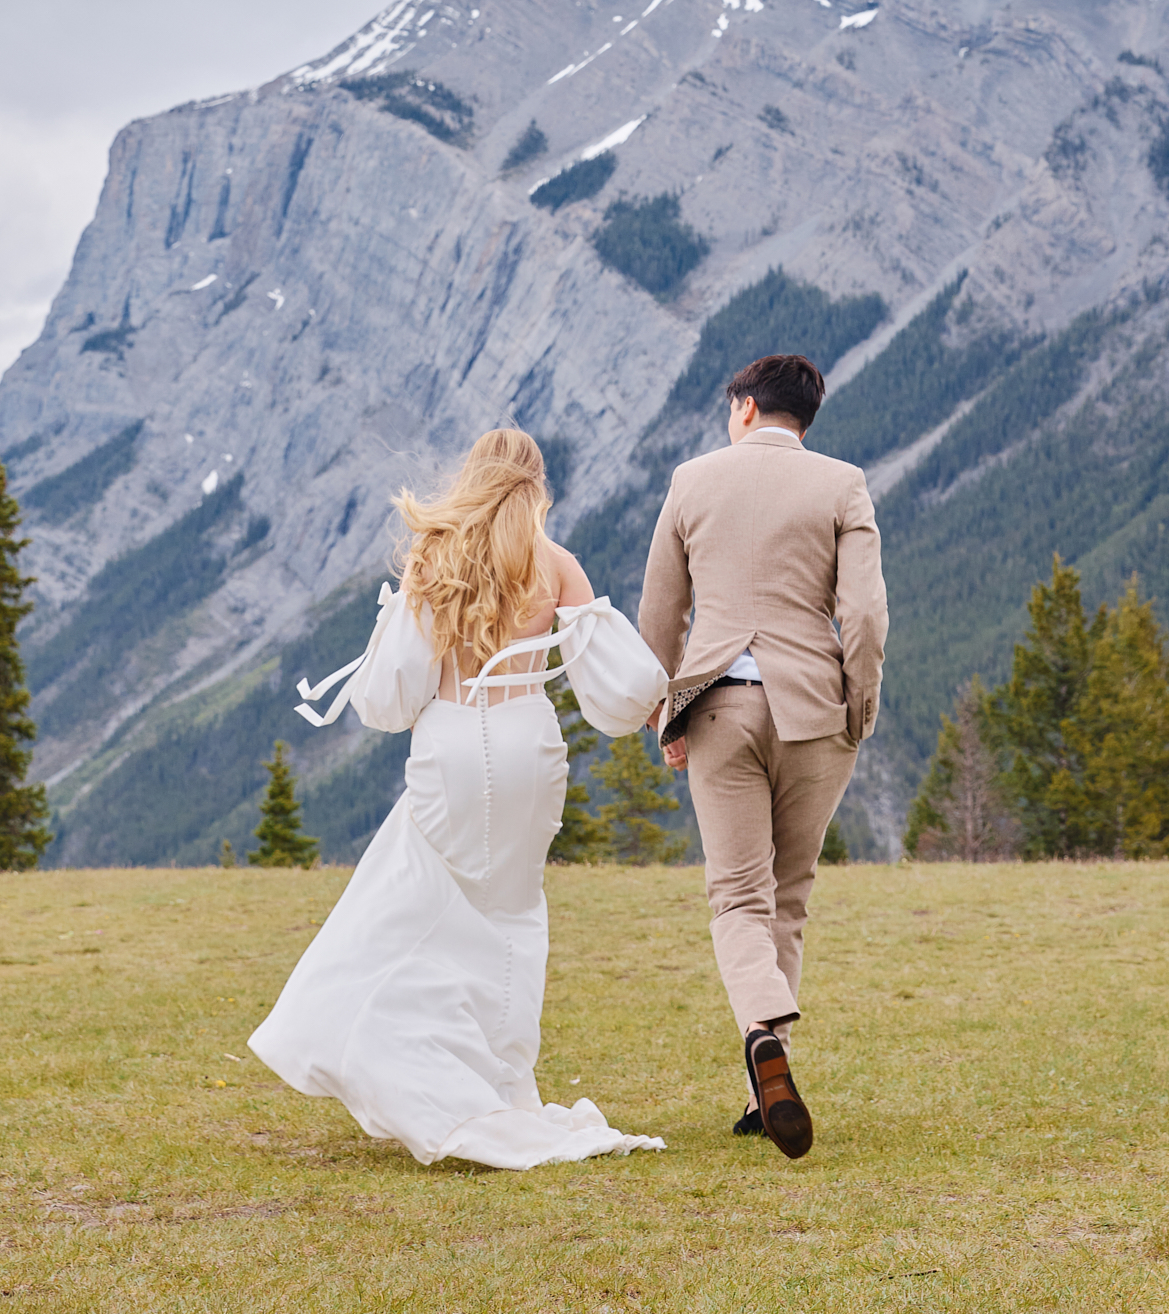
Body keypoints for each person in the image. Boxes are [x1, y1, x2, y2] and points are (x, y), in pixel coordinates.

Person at [250, 428, 668, 1169]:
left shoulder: (435, 558)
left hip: (449, 742)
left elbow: (389, 698)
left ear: (474, 477)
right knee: (510, 915)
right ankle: (499, 1083)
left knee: (407, 903)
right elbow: (622, 688)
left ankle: (404, 1061)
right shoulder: (553, 563)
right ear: (536, 487)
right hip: (527, 748)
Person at [638, 353, 888, 1159]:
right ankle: (765, 1077)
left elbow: (661, 613)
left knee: (737, 898)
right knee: (788, 894)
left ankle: (762, 1040)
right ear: (802, 418)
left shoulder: (691, 480)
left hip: (719, 705)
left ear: (745, 407)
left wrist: (664, 712)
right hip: (814, 708)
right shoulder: (842, 484)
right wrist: (857, 708)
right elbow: (866, 616)